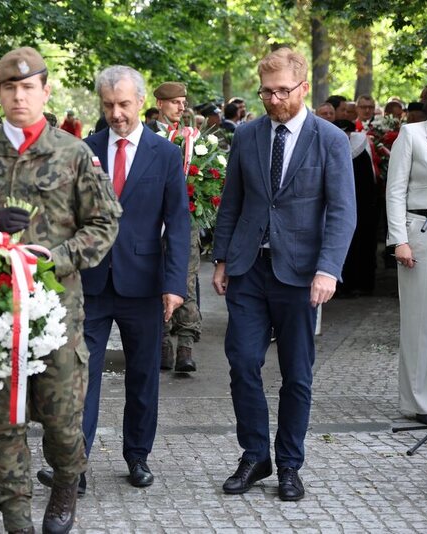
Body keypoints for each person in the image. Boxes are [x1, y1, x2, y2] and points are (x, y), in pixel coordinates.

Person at [0, 46, 121, 534]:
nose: (19, 96)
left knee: (62, 423)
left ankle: (65, 483)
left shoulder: (73, 153)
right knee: (5, 424)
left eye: (28, 87)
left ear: (45, 89)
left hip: (57, 311)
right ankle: (15, 517)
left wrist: (55, 259)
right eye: (10, 88)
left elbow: (104, 223)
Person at [212, 48, 355, 501]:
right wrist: (221, 258)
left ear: (303, 86)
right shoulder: (248, 135)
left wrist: (328, 269)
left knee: (296, 374)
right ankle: (255, 454)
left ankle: (290, 463)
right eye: (266, 92)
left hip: (302, 273)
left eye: (282, 92)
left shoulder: (329, 139)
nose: (273, 100)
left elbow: (342, 212)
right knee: (242, 363)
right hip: (248, 268)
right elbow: (232, 201)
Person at [38, 65, 189, 495]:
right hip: (90, 282)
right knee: (78, 378)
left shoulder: (165, 155)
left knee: (144, 376)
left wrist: (175, 284)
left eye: (123, 104)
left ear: (141, 102)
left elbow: (178, 223)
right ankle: (75, 464)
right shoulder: (84, 150)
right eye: (108, 105)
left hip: (144, 284)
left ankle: (137, 456)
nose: (116, 113)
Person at [386, 76, 427, 424]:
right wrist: (399, 240)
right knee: (420, 320)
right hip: (421, 232)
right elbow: (395, 190)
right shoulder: (413, 134)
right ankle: (420, 402)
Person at [155, 81, 202, 372]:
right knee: (157, 280)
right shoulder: (146, 137)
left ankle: (186, 345)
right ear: (160, 103)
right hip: (153, 223)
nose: (181, 107)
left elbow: (211, 176)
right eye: (175, 102)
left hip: (186, 223)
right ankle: (162, 343)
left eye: (183, 102)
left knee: (186, 279)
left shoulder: (194, 140)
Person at [333, 119, 378, 297]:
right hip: (337, 208)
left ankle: (357, 284)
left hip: (360, 208)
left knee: (359, 246)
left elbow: (368, 185)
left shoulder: (360, 153)